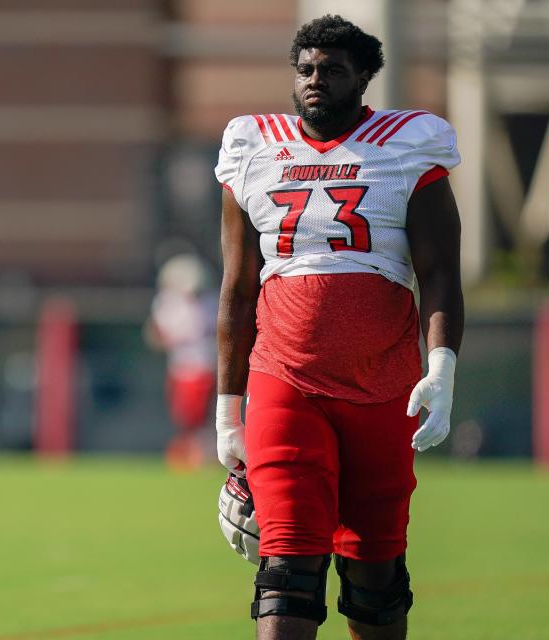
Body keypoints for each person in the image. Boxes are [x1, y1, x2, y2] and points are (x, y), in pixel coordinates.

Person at [213, 15, 464, 640]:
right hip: (285, 378)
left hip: (385, 383)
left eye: (332, 71)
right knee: (288, 568)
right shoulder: (254, 146)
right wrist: (227, 408)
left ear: (364, 79)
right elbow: (240, 289)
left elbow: (439, 272)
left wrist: (442, 366)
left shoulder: (408, 142)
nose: (315, 82)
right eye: (305, 70)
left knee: (376, 576)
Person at [145, 253, 219, 469]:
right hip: (180, 367)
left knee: (200, 418)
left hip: (203, 366)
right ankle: (190, 453)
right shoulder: (167, 302)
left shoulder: (209, 302)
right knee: (184, 417)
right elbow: (157, 334)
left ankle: (201, 454)